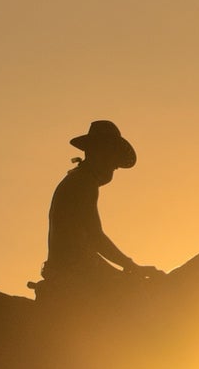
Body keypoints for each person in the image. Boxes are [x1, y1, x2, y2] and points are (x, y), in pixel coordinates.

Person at [30, 120, 164, 308]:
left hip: (71, 267)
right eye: (113, 161)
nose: (114, 168)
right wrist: (131, 266)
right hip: (76, 270)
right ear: (99, 153)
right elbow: (95, 236)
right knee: (137, 300)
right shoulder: (84, 183)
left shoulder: (76, 179)